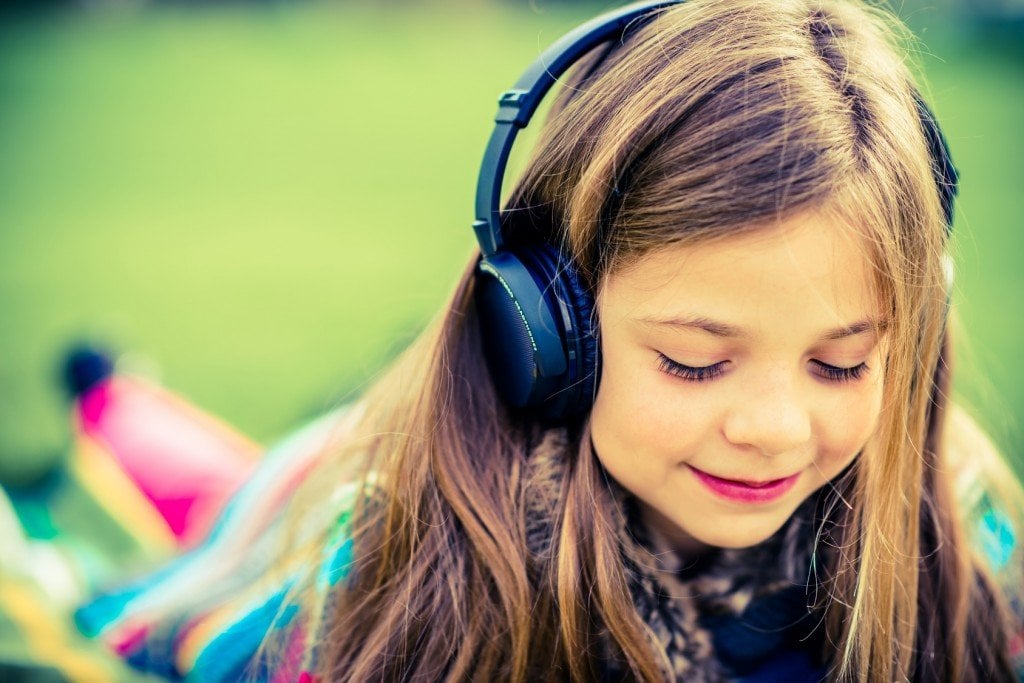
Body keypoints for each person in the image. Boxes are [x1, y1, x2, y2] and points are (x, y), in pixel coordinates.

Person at [77, 0, 1024, 681]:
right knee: (193, 506)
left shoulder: (961, 537)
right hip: (322, 468)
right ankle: (111, 399)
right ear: (542, 326)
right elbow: (169, 640)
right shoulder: (381, 557)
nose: (775, 428)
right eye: (694, 359)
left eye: (841, 362)